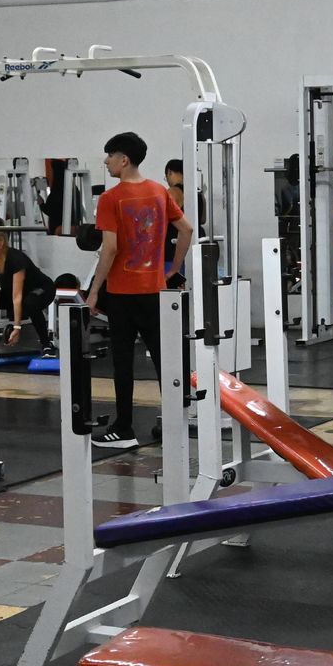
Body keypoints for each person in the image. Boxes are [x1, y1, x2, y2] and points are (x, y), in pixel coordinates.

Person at [86, 132, 193, 450]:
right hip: (155, 291)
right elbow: (186, 229)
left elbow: (110, 249)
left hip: (122, 294)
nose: (106, 161)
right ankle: (176, 425)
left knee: (123, 363)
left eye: (109, 155)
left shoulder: (110, 199)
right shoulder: (160, 192)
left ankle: (124, 428)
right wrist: (172, 268)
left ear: (124, 159)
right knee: (165, 360)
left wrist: (94, 292)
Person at [0, 229, 57, 356]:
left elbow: (17, 296)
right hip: (16, 293)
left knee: (30, 302)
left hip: (43, 289)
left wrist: (17, 327)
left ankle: (47, 344)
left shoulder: (15, 259)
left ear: (1, 242)